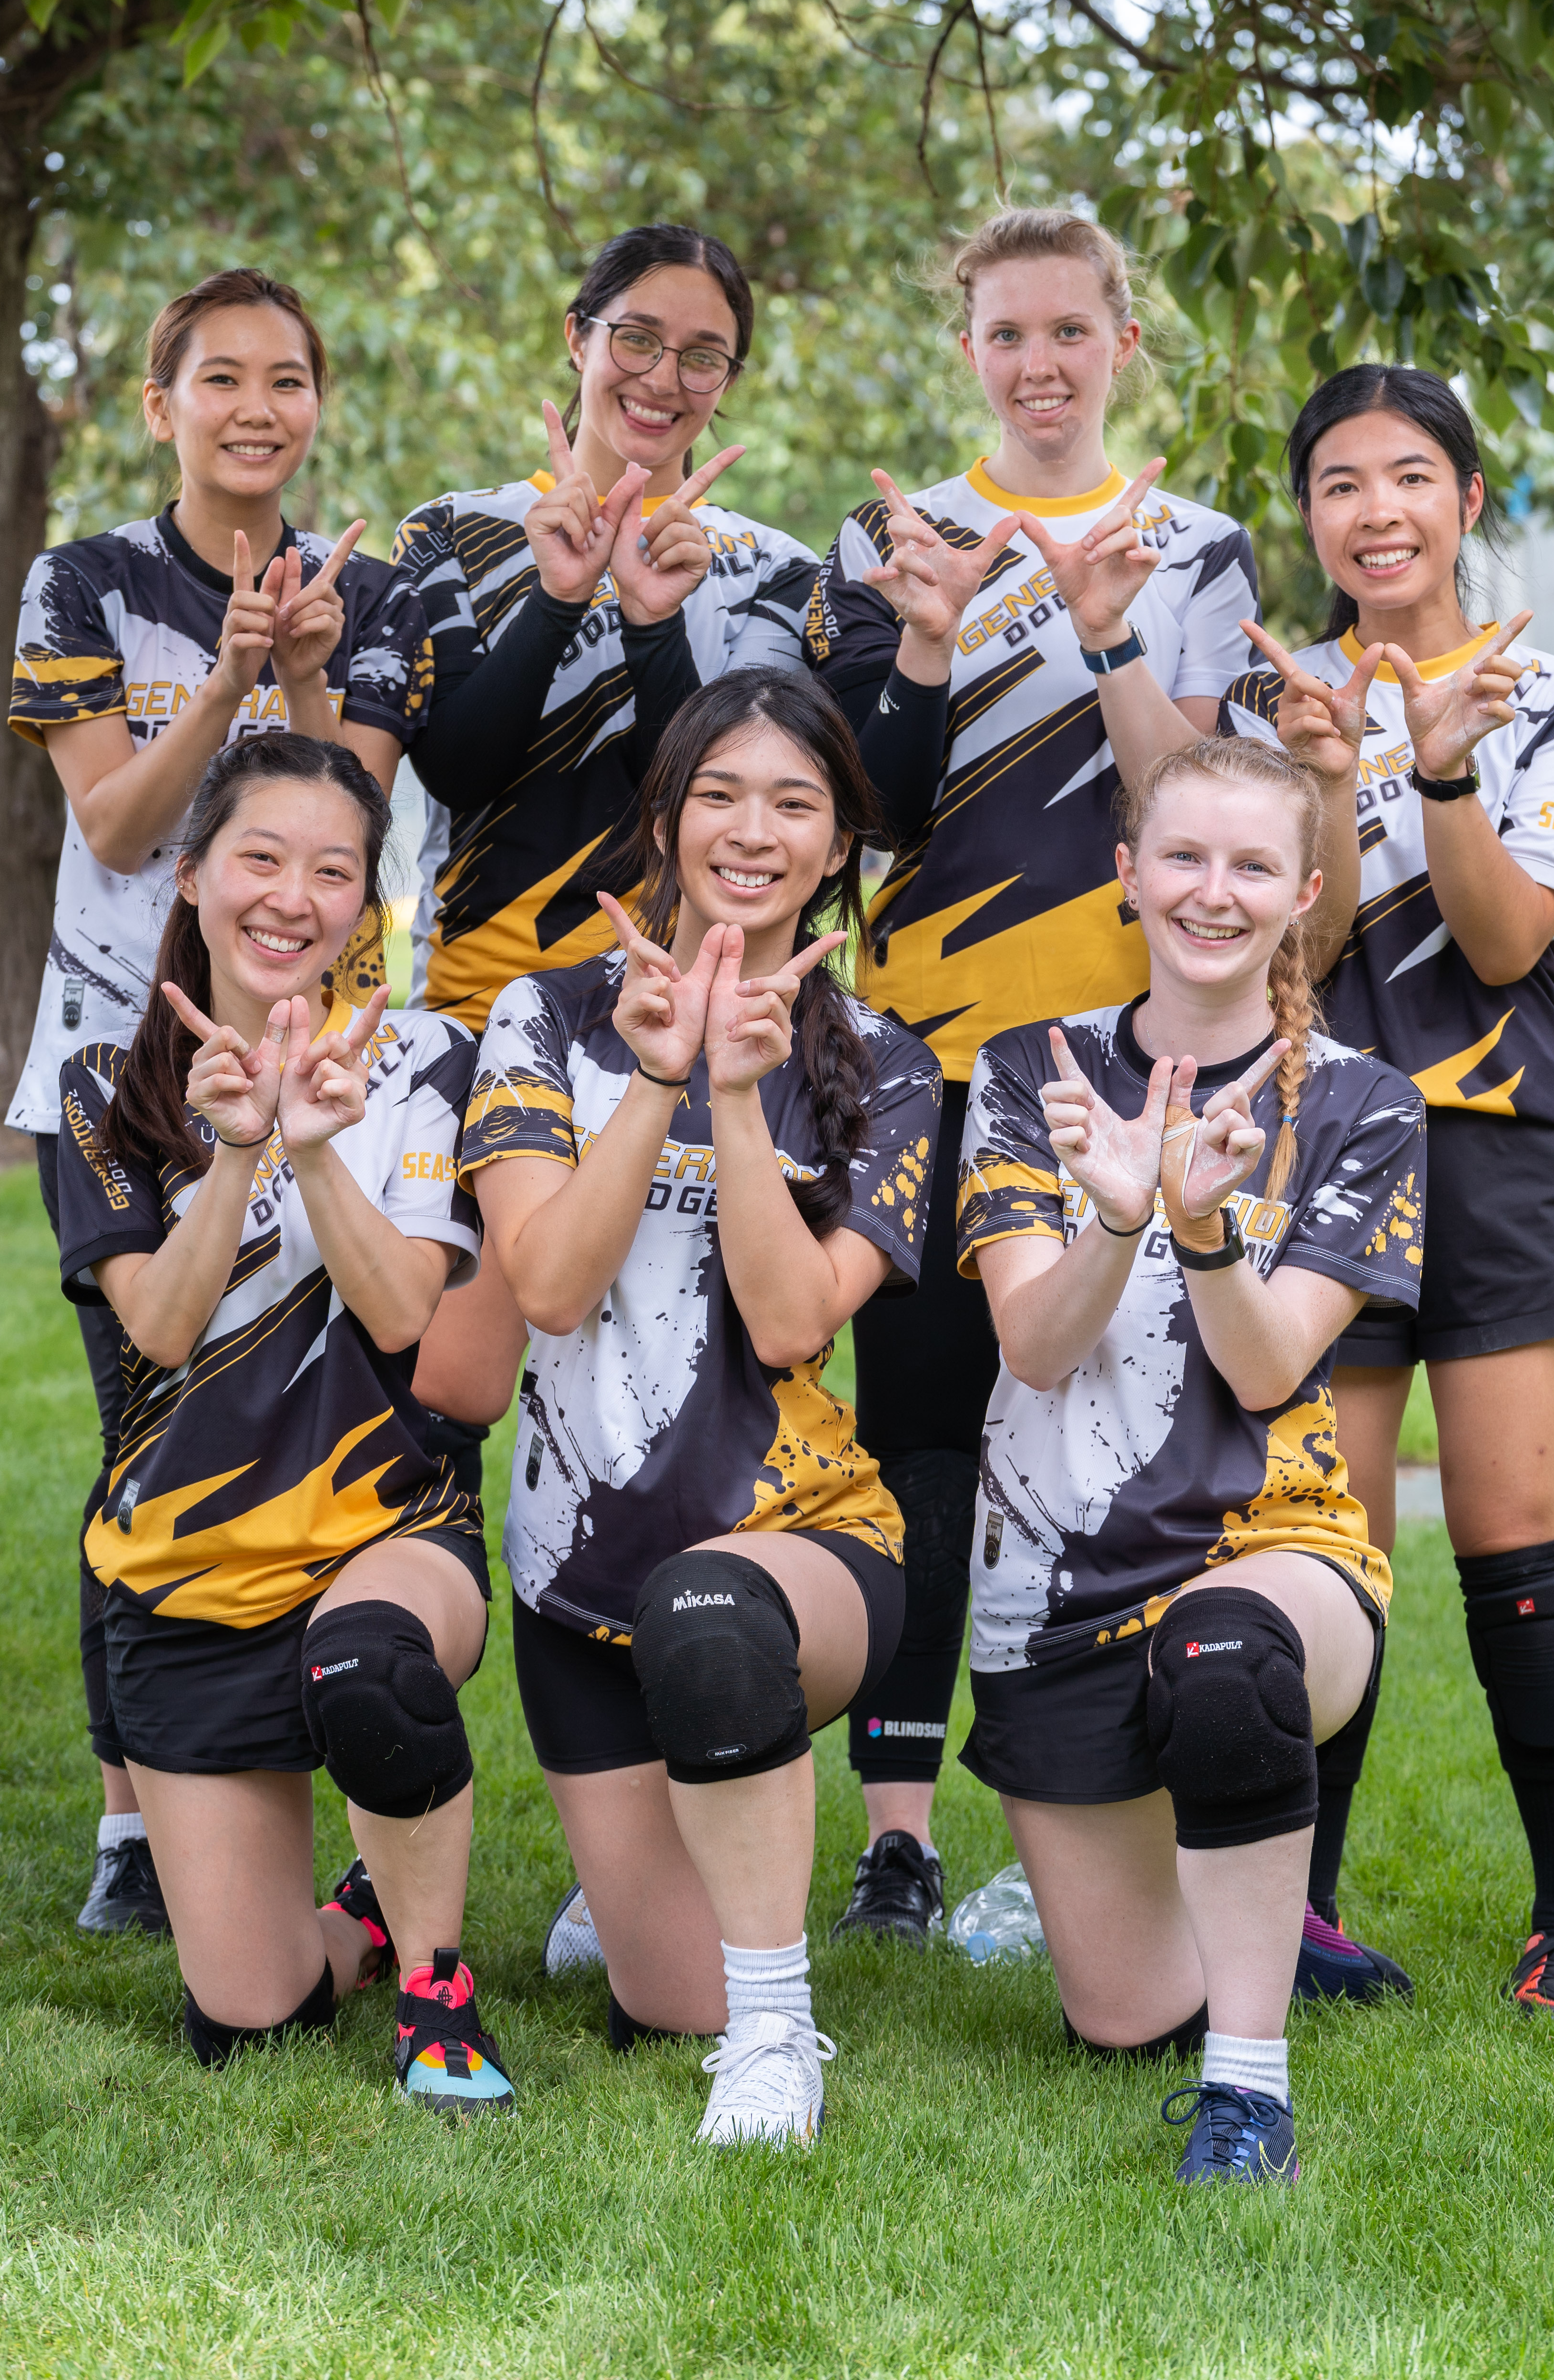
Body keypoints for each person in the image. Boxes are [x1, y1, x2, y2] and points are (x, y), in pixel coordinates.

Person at [804, 208, 1258, 1943]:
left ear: (1122, 345)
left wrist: (1113, 634)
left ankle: (1096, 1810)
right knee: (922, 1437)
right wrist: (924, 637)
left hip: (1127, 1056)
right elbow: (873, 811)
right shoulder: (891, 535)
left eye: (1072, 330)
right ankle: (904, 1832)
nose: (1041, 364)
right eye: (1007, 334)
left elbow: (1194, 810)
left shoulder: (1194, 548)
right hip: (923, 1057)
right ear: (968, 347)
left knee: (1102, 1431)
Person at [460, 669, 941, 2146]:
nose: (755, 830)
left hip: (795, 1549)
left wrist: (735, 1095)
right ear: (663, 822)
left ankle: (784, 2039)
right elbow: (543, 1286)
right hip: (575, 1577)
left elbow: (796, 1321)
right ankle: (655, 1894)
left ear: (838, 846)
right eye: (719, 794)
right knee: (671, 1994)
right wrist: (656, 1075)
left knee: (714, 1623)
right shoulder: (541, 1019)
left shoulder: (893, 1066)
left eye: (796, 802)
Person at [6, 267, 429, 1938]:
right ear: (162, 402)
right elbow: (117, 829)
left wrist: (305, 674)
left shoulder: (367, 588)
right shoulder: (86, 579)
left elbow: (349, 831)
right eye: (222, 378)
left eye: (290, 380)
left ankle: (325, 1773)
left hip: (316, 1069)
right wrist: (230, 673)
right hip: (123, 1066)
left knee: (318, 1420)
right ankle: (134, 1816)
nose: (259, 408)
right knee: (143, 1420)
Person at [956, 733, 1425, 2183]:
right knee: (1120, 2015)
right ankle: (1250, 1911)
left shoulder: (1365, 1105)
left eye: (1249, 866)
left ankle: (1250, 2091)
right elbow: (1035, 1349)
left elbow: (1273, 1364)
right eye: (1182, 857)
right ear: (1127, 875)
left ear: (1304, 894)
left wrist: (1204, 1224)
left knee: (1227, 1664)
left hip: (1274, 1559)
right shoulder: (1032, 1075)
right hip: (1055, 1584)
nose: (1211, 893)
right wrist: (1114, 1211)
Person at [1221, 364, 1554, 2017]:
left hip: (1505, 1149)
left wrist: (1442, 770)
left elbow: (1508, 942)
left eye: (1407, 476)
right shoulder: (1279, 700)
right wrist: (1326, 774)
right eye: (1337, 484)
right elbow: (1287, 960)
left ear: (1466, 496)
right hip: (1328, 1149)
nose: (1374, 510)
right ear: (1310, 516)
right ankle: (1304, 1914)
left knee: (1514, 1537)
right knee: (1332, 1540)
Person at [53, 732, 509, 2104]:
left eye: (333, 872)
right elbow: (160, 1330)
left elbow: (408, 1319)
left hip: (387, 1534)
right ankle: (366, 1922)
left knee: (370, 1665)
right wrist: (238, 1141)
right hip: (185, 1579)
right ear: (190, 876)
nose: (291, 897)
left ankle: (438, 1993)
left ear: (366, 908)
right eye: (260, 858)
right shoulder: (101, 1086)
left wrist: (314, 1142)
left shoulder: (431, 1062)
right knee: (247, 2024)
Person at [389, 224, 820, 1554]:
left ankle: (680, 1651)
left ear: (730, 383)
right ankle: (400, 1696)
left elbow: (718, 795)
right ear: (578, 338)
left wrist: (649, 619)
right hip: (476, 1008)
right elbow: (455, 757)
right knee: (444, 1391)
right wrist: (559, 595)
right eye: (636, 335)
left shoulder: (771, 568)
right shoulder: (457, 530)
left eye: (705, 354)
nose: (663, 374)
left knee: (666, 1390)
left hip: (666, 1019)